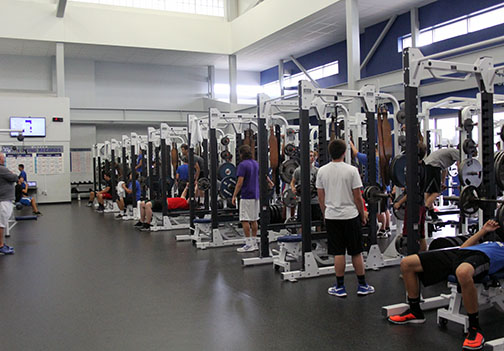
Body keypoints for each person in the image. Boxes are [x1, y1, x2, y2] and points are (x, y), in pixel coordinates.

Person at [387, 219, 503, 351]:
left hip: (484, 258)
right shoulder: (490, 241)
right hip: (460, 253)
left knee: (463, 273)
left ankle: (474, 328)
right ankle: (415, 311)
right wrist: (483, 231)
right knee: (407, 263)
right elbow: (463, 247)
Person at [316, 139, 374, 297]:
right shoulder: (352, 170)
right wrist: (363, 215)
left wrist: (325, 213)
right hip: (350, 215)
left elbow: (321, 198)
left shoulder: (321, 171)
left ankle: (340, 287)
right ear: (344, 153)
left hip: (332, 216)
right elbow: (358, 198)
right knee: (356, 252)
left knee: (338, 252)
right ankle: (362, 285)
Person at [350, 140, 391, 238]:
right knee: (385, 209)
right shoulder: (385, 159)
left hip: (377, 187)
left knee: (378, 210)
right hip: (385, 186)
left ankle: (382, 230)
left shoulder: (372, 159)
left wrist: (350, 142)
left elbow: (355, 153)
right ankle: (387, 228)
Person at [392, 143, 428, 252]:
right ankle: (423, 258)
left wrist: (399, 203)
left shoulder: (414, 170)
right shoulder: (424, 166)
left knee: (409, 235)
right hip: (421, 205)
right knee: (421, 235)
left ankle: (412, 259)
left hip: (413, 207)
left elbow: (413, 192)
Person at [232, 144, 260, 253]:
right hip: (256, 195)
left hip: (247, 195)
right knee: (254, 219)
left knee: (244, 219)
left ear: (242, 154)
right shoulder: (256, 163)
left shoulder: (243, 165)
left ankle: (248, 244)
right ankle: (254, 243)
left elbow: (239, 182)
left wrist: (234, 195)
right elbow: (262, 176)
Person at [424, 147, 460, 221]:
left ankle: (433, 216)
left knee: (429, 192)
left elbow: (444, 170)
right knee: (436, 192)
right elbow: (461, 167)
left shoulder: (447, 155)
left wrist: (442, 183)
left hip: (428, 166)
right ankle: (422, 213)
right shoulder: (457, 152)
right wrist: (462, 183)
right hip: (433, 167)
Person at [290, 150, 321, 224]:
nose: (312, 158)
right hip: (303, 201)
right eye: (310, 156)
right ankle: (301, 236)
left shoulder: (317, 170)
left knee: (318, 222)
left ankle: (318, 235)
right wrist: (293, 188)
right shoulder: (298, 170)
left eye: (313, 156)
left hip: (315, 200)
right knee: (301, 223)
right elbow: (292, 182)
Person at [0, 153, 17, 255]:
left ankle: (1, 244)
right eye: (3, 158)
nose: (4, 159)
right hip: (3, 200)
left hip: (4, 199)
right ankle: (1, 246)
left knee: (2, 223)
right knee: (1, 224)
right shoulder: (2, 169)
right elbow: (14, 177)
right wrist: (12, 173)